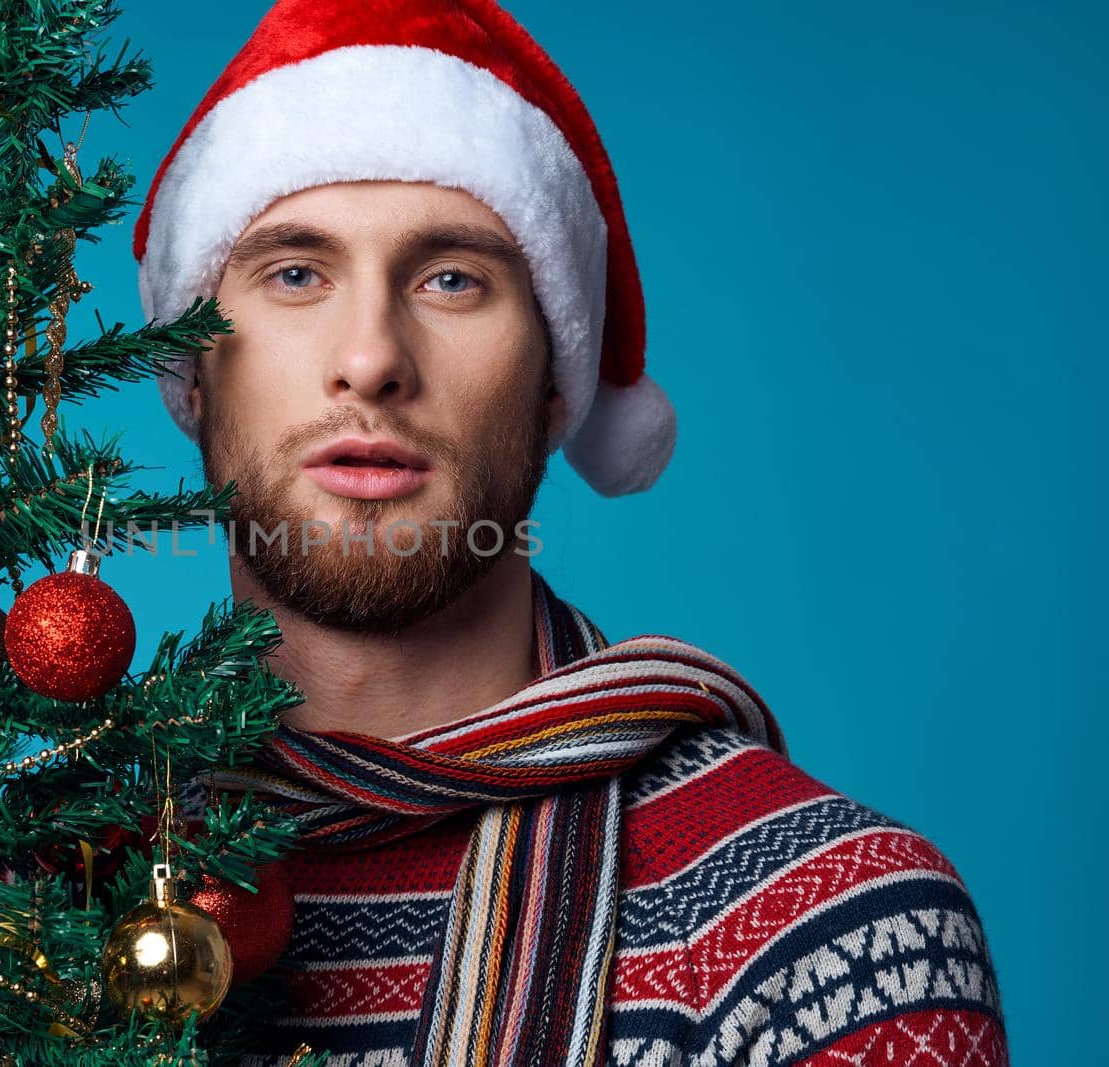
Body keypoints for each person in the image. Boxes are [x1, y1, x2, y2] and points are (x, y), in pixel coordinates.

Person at [131, 0, 1010, 1063]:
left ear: (557, 383)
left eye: (452, 278)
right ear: (191, 367)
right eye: (295, 273)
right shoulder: (44, 885)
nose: (368, 357)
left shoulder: (827, 929)